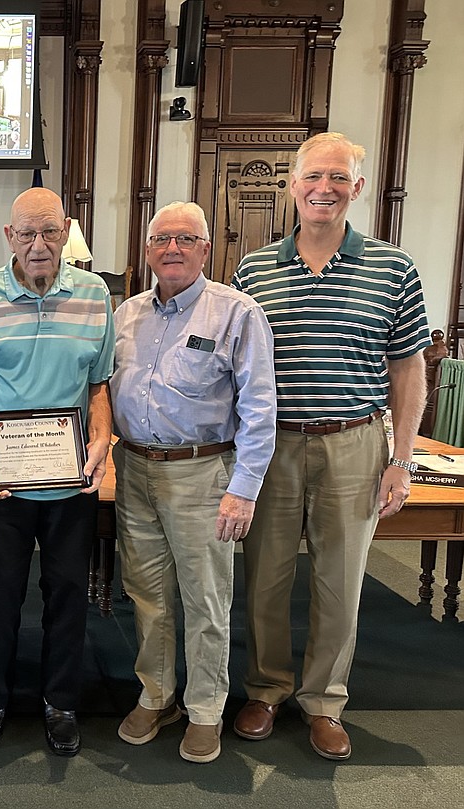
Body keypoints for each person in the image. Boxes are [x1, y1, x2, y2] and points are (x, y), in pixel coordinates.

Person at [231, 132, 430, 760]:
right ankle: (265, 689)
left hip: (354, 443)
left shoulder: (394, 269)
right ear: (292, 185)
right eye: (314, 176)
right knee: (264, 578)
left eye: (339, 178)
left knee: (340, 581)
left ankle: (324, 701)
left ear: (358, 188)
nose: (325, 189)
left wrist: (401, 459)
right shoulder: (254, 269)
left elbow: (409, 370)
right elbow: (238, 371)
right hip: (273, 449)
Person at [110, 202, 276, 763]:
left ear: (207, 248)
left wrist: (244, 488)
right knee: (147, 594)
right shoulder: (127, 313)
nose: (173, 248)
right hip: (134, 470)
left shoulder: (236, 313)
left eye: (186, 239)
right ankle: (158, 695)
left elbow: (260, 408)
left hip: (203, 473)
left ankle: (206, 708)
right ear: (148, 249)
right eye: (162, 239)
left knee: (206, 598)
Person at [0, 186, 115, 757]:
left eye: (50, 231)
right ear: (10, 238)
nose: (39, 244)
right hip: (2, 485)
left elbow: (99, 384)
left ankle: (61, 703)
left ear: (67, 230)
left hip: (70, 482)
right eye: (27, 233)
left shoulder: (95, 295)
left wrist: (101, 437)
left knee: (67, 595)